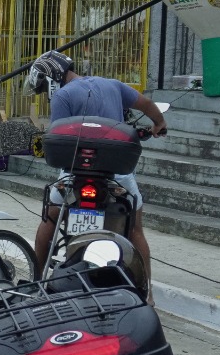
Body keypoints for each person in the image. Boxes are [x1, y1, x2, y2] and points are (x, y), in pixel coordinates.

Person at [27, 50, 167, 275]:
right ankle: (147, 293)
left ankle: (37, 276)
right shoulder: (114, 85)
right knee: (135, 229)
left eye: (44, 88)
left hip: (75, 175)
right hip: (117, 174)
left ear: (52, 78)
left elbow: (58, 137)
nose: (45, 92)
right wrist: (159, 123)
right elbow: (147, 104)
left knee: (50, 219)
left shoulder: (63, 97)